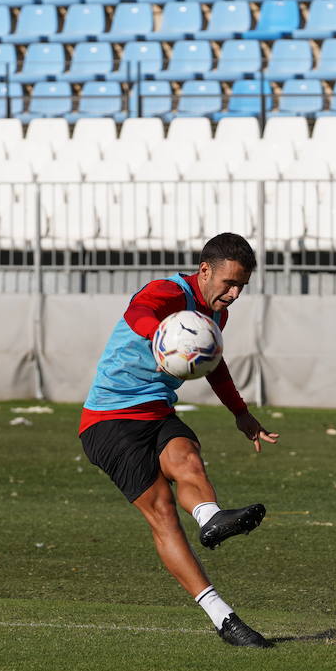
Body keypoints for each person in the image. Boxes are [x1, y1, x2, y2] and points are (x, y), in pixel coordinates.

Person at [79, 233, 279, 648]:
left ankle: (211, 519)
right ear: (204, 271)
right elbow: (139, 313)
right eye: (228, 282)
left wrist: (241, 413)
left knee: (187, 458)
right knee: (164, 512)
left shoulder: (215, 316)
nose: (235, 293)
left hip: (156, 412)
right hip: (108, 421)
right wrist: (163, 336)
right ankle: (224, 619)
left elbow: (214, 365)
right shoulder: (168, 291)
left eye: (242, 285)